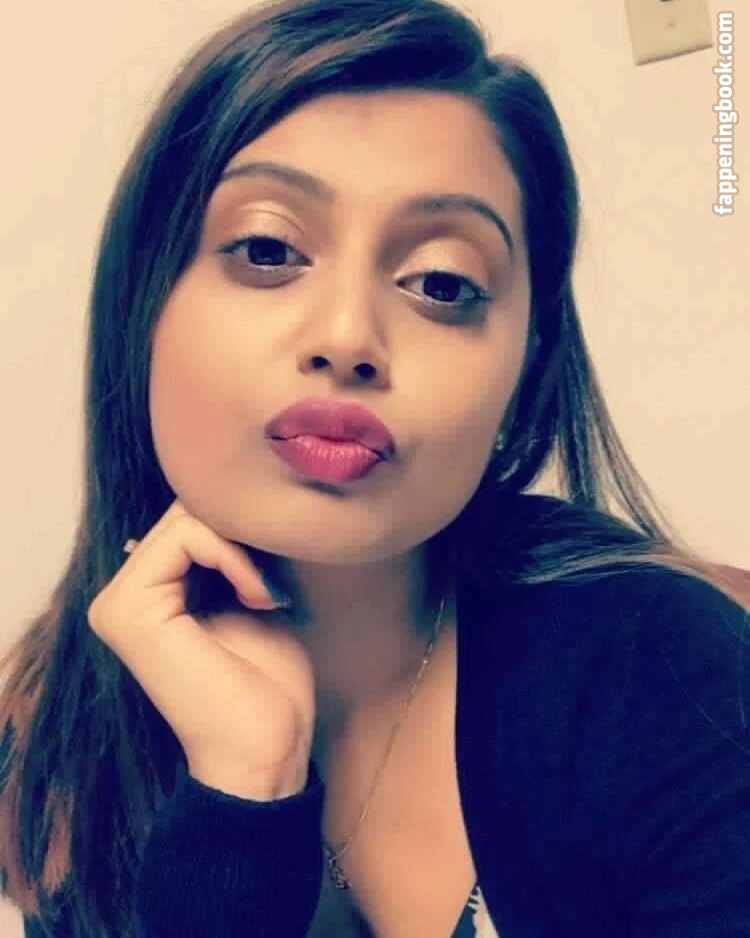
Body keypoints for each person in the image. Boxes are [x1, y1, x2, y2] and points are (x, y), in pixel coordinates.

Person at [1, 0, 748, 935]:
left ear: (526, 368)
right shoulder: (57, 730)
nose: (349, 336)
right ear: (141, 306)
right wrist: (241, 791)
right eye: (268, 250)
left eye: (441, 284)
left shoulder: (668, 670)